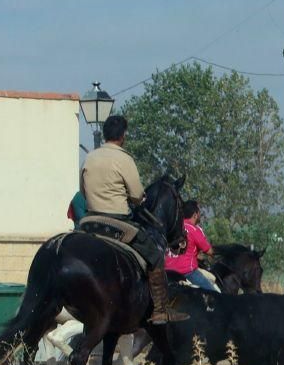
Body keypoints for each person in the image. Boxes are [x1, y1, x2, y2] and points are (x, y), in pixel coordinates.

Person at [80, 115, 188, 324]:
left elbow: (83, 191)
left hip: (90, 221)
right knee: (155, 256)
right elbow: (137, 195)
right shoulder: (124, 159)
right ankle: (159, 310)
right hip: (118, 222)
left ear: (105, 135)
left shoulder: (90, 158)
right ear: (122, 136)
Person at [165, 200, 216, 291]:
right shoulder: (194, 229)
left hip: (167, 270)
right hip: (187, 272)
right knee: (215, 295)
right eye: (199, 212)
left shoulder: (171, 227)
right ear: (195, 215)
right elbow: (210, 251)